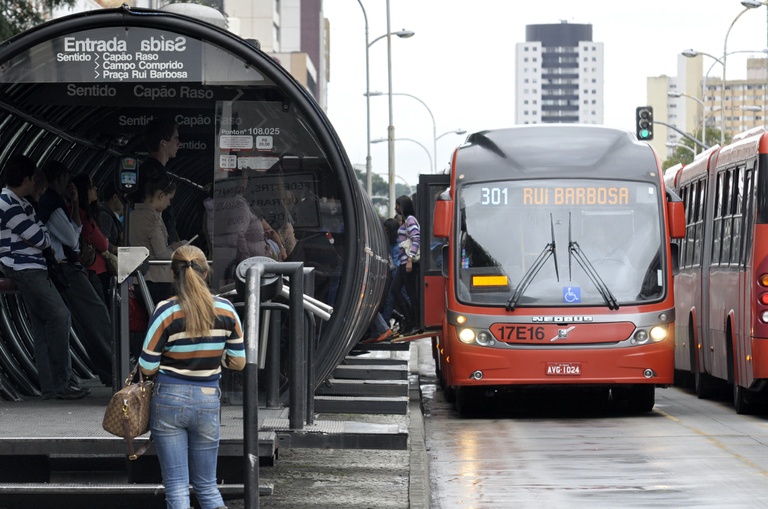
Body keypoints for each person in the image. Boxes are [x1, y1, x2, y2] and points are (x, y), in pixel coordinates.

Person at [139, 245, 245, 509]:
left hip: (169, 400)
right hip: (208, 399)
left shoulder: (165, 311)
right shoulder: (226, 310)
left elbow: (147, 365)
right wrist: (214, 357)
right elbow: (238, 362)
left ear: (174, 274)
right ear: (206, 273)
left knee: (176, 486)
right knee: (207, 486)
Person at [0, 156, 87, 400]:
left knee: (41, 326)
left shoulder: (22, 203)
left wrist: (39, 236)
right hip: (24, 269)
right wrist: (39, 237)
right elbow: (41, 239)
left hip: (33, 268)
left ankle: (51, 387)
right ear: (27, 179)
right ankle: (63, 381)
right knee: (60, 316)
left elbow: (42, 234)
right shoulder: (7, 203)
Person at [38, 160, 114, 387]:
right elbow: (72, 239)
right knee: (96, 315)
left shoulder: (58, 203)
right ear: (60, 179)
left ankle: (108, 369)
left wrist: (75, 203)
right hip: (66, 268)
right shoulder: (52, 203)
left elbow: (75, 230)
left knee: (87, 319)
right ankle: (112, 366)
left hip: (64, 267)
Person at [129, 172, 187, 306]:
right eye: (169, 199)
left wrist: (172, 246)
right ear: (161, 196)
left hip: (138, 279)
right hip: (157, 281)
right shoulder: (152, 219)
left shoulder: (133, 215)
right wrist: (178, 251)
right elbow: (161, 254)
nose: (169, 204)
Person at [135, 118, 181, 243]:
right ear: (163, 142)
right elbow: (163, 216)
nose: (179, 143)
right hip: (156, 246)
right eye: (175, 138)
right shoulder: (157, 176)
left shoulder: (144, 170)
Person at [382, 195, 421, 336]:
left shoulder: (410, 220)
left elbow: (416, 239)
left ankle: (415, 323)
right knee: (395, 290)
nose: (395, 208)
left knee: (410, 293)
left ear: (402, 206)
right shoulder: (406, 221)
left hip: (407, 263)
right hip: (403, 263)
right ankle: (409, 320)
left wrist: (410, 258)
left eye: (397, 205)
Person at [72, 174, 114, 304]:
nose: (95, 189)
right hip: (94, 271)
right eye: (91, 187)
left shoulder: (86, 213)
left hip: (95, 269)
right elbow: (102, 243)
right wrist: (104, 241)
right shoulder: (81, 215)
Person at [97, 179, 124, 255]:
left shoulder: (109, 215)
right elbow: (104, 244)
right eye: (123, 198)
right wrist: (121, 249)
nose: (125, 202)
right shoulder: (105, 217)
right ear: (115, 197)